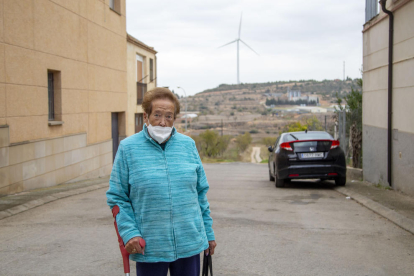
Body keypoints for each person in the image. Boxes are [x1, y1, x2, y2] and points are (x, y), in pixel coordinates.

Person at [106, 87, 216, 276]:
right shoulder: (128, 148)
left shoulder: (187, 145)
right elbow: (117, 197)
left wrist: (208, 233)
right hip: (150, 247)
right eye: (157, 115)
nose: (163, 122)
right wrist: (129, 233)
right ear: (146, 116)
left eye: (169, 116)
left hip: (189, 243)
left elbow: (200, 194)